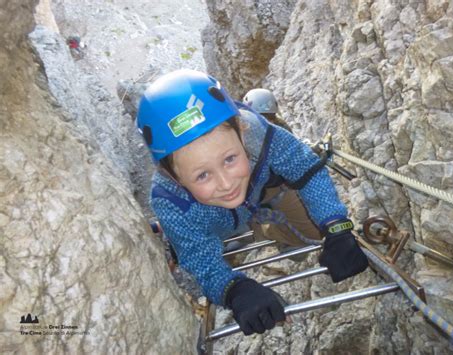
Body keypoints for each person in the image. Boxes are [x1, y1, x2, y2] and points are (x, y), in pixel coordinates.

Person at [136, 69, 368, 336]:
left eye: (229, 159)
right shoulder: (169, 201)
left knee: (313, 235)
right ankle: (183, 231)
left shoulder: (257, 132)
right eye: (202, 174)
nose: (225, 183)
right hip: (209, 220)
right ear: (173, 177)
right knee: (191, 240)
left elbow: (306, 167)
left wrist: (336, 226)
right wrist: (235, 289)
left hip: (259, 194)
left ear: (241, 133)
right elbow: (199, 259)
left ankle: (264, 227)